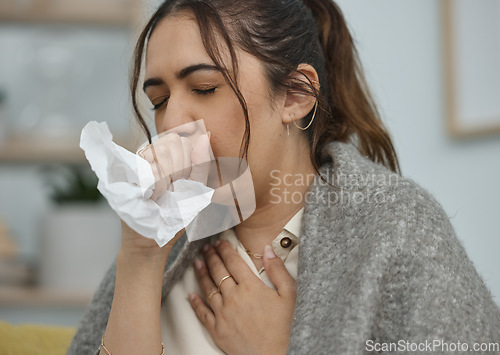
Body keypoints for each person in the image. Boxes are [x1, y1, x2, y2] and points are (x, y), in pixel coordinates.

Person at [68, 0, 500, 354]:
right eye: (159, 100)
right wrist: (141, 260)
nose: (172, 121)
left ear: (295, 95)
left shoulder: (397, 225)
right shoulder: (165, 242)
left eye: (203, 88)